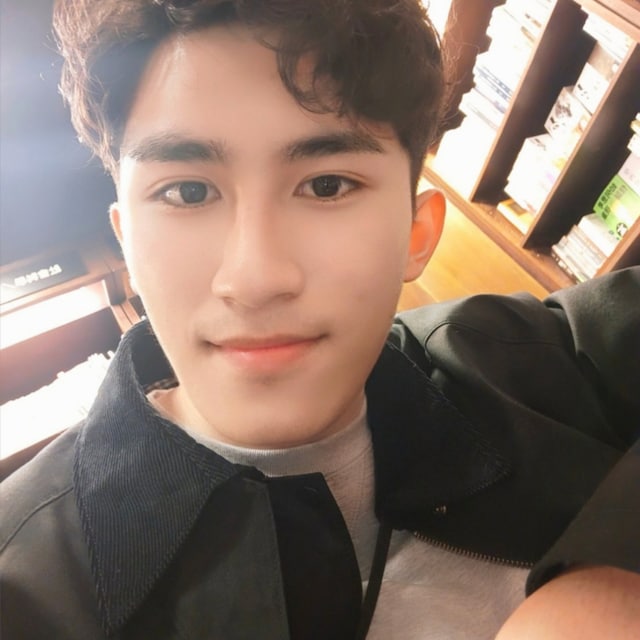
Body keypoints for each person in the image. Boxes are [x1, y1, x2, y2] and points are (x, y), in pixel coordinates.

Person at [1, 0, 639, 637]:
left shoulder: (531, 364)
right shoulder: (23, 586)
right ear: (127, 245)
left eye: (327, 185)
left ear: (416, 233)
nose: (254, 280)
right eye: (187, 192)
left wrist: (609, 582)